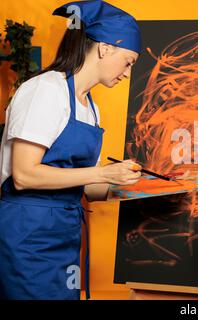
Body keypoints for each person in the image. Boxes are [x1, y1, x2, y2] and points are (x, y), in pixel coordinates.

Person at [0, 0, 142, 300]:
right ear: (105, 48)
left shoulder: (91, 107)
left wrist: (136, 187)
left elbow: (85, 185)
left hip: (65, 233)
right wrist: (103, 172)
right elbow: (24, 175)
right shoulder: (45, 90)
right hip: (28, 233)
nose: (127, 73)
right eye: (128, 61)